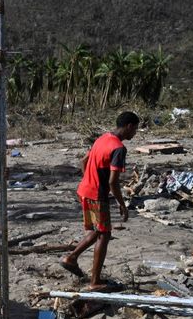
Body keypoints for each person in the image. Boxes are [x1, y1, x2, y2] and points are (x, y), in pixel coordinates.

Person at [60, 111, 139, 292]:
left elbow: (84, 160)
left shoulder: (103, 138)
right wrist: (121, 203)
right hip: (97, 195)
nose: (135, 133)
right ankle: (93, 280)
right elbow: (113, 182)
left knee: (98, 231)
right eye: (135, 129)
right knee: (104, 234)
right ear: (129, 126)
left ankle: (72, 258)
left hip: (84, 190)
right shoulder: (119, 148)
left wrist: (88, 179)